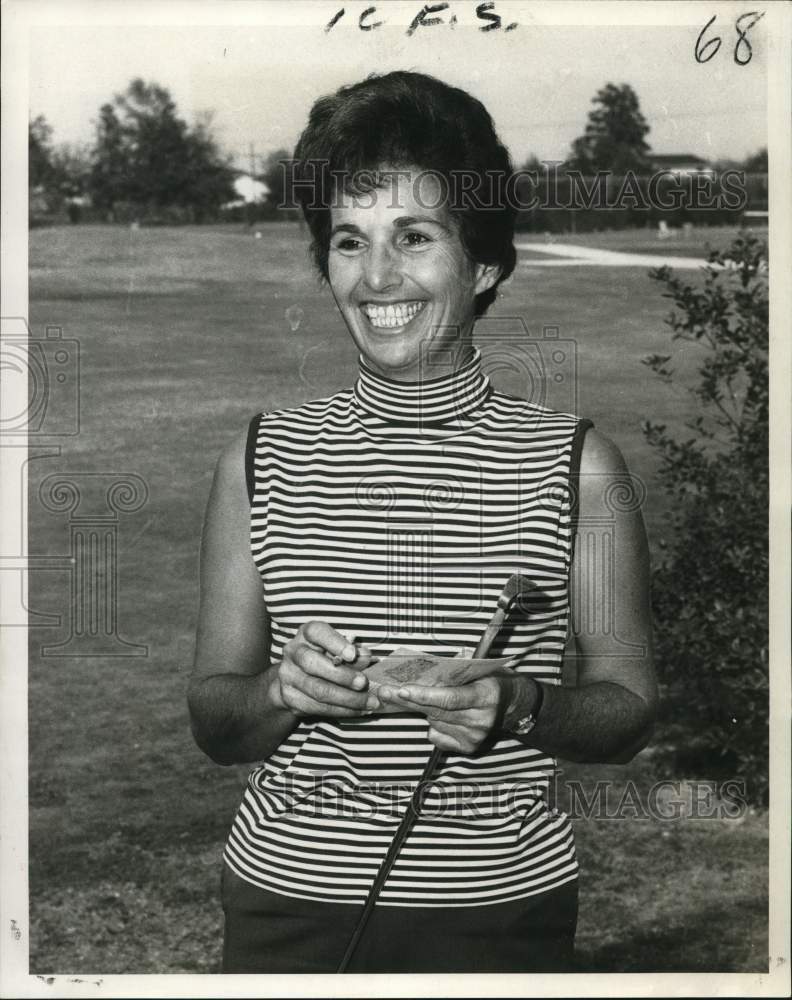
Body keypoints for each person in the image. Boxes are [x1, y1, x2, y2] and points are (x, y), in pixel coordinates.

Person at [188, 70, 657, 974]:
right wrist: (281, 693)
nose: (377, 278)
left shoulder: (581, 466)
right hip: (284, 908)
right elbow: (215, 721)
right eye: (348, 241)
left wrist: (520, 705)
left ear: (483, 262)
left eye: (414, 236)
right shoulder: (258, 458)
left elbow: (629, 711)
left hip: (497, 915)